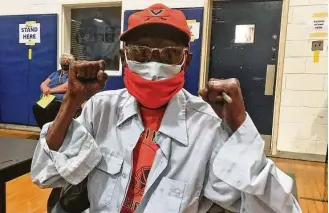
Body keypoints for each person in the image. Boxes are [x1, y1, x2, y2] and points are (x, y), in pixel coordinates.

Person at [31, 4, 301, 213]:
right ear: (125, 56)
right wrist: (71, 102)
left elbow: (276, 207)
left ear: (186, 60)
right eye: (140, 53)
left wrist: (240, 127)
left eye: (169, 54)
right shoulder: (101, 109)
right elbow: (46, 174)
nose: (154, 66)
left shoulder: (207, 126)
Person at [32, 53, 74, 129]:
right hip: (48, 98)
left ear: (71, 63)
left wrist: (50, 90)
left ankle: (53, 130)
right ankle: (45, 130)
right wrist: (44, 88)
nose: (64, 63)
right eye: (62, 62)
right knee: (36, 107)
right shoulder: (56, 73)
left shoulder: (73, 74)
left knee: (50, 108)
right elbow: (43, 83)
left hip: (60, 100)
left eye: (67, 62)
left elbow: (66, 87)